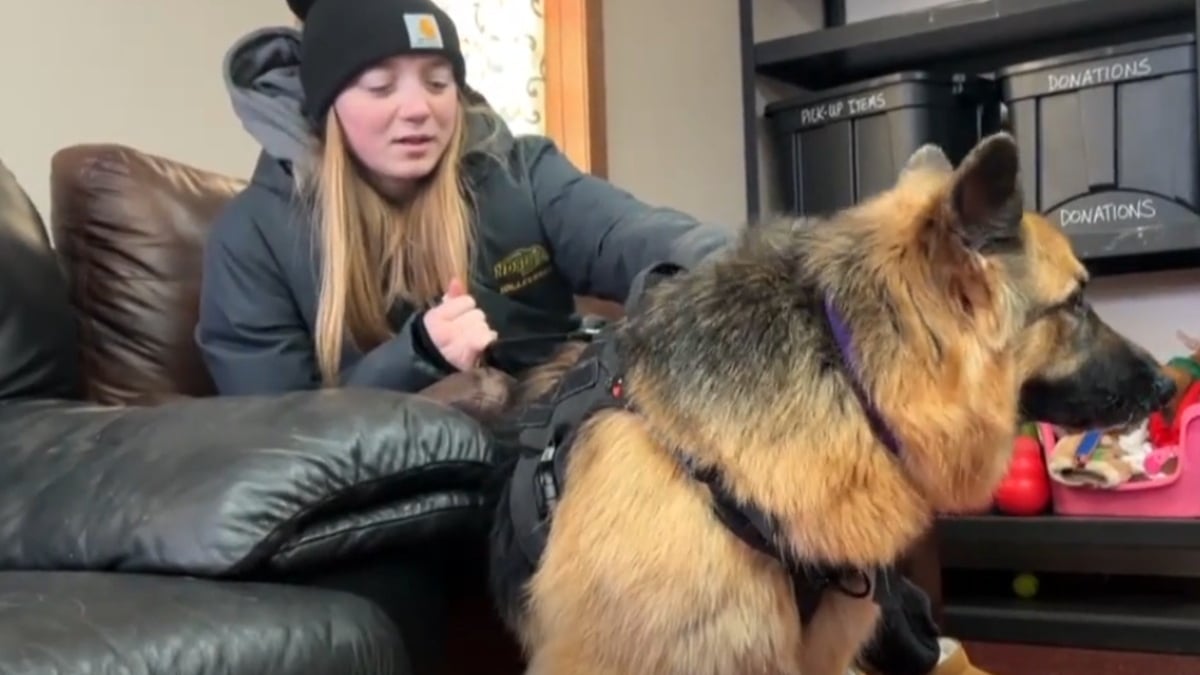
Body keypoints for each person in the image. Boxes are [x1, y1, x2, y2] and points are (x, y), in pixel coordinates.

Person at [196, 2, 990, 674]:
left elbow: (644, 235)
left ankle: (915, 645)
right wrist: (416, 356)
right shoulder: (254, 238)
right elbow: (270, 441)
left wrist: (780, 279)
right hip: (405, 497)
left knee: (767, 440)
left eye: (439, 83)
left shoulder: (518, 173)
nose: (419, 109)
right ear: (329, 103)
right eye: (380, 86)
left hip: (565, 432)